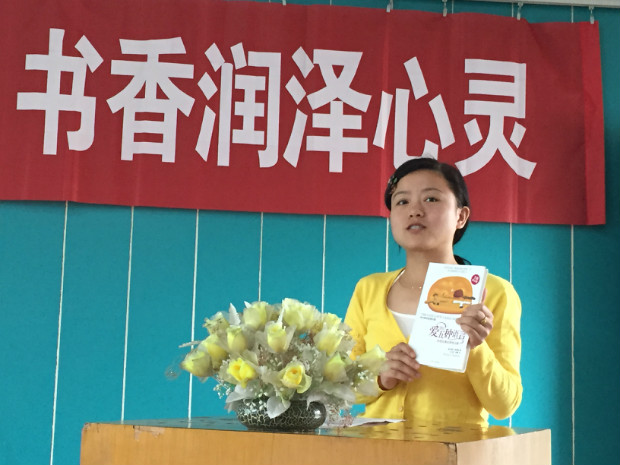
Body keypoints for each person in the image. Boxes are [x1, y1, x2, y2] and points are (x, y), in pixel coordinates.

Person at [345, 157, 522, 426]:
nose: (415, 210)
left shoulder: (495, 293)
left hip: (454, 447)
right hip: (376, 446)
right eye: (402, 202)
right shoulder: (368, 289)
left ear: (461, 216)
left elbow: (505, 405)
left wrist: (476, 348)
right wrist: (380, 377)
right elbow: (341, 386)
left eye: (431, 199)